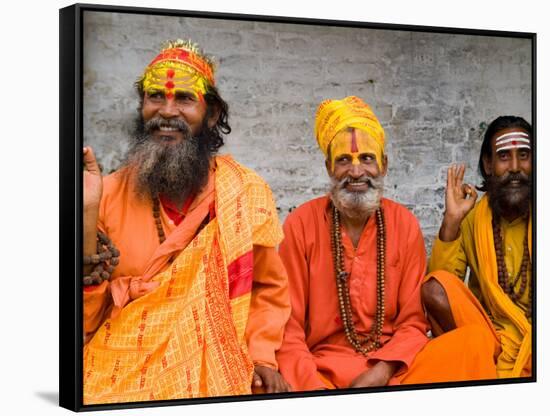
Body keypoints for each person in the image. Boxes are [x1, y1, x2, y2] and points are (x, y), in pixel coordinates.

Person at [82, 39, 291, 404]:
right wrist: (84, 214)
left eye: (184, 99)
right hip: (119, 365)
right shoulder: (107, 193)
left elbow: (267, 290)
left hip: (218, 364)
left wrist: (262, 357)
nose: (167, 111)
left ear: (211, 114)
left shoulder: (244, 192)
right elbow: (83, 318)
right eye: (154, 97)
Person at [276, 96, 497, 391]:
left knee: (474, 342)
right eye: (344, 160)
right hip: (322, 371)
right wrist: (313, 389)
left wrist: (380, 373)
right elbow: (288, 330)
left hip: (395, 370)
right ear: (329, 167)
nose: (356, 172)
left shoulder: (404, 224)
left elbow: (413, 322)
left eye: (367, 158)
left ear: (384, 164)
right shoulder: (300, 225)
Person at [424, 116, 533, 378]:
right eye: (504, 156)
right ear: (488, 164)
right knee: (434, 288)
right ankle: (477, 359)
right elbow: (443, 287)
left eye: (525, 155)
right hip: (490, 333)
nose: (515, 167)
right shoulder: (473, 217)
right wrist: (451, 221)